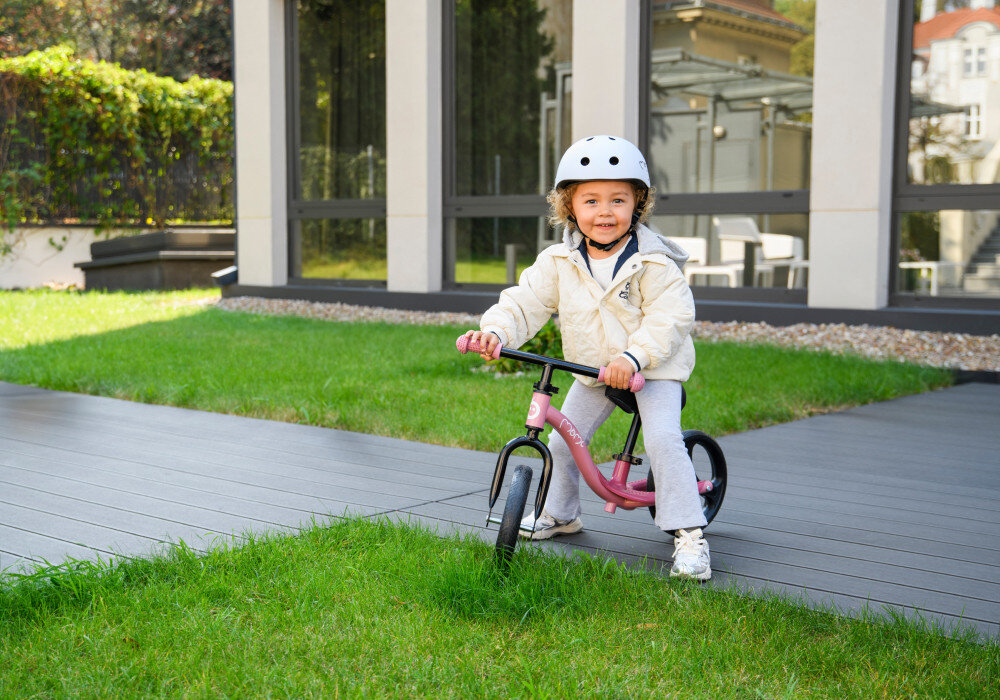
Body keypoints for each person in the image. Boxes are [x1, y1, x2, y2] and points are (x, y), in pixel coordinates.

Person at [463, 135, 711, 581]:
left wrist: (635, 357)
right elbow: (525, 302)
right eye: (591, 200)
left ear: (638, 204)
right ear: (568, 206)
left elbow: (671, 319)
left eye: (618, 200)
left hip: (652, 370)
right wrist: (495, 330)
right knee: (561, 440)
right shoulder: (559, 261)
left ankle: (689, 533)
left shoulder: (655, 264)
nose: (604, 212)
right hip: (594, 371)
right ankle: (560, 514)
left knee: (662, 441)